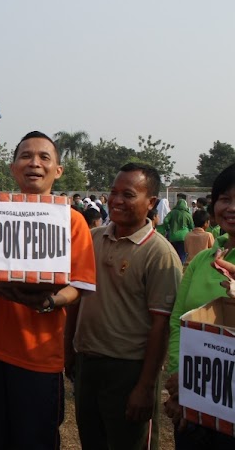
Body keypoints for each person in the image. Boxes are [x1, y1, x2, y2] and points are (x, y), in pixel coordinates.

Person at [0, 122, 96, 449]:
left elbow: (80, 285)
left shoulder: (72, 220)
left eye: (44, 157)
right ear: (13, 167)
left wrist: (48, 302)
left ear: (58, 170)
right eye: (26, 156)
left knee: (35, 440)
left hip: (40, 353)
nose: (34, 162)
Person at [68, 163, 183, 450]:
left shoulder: (160, 254)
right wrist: (67, 352)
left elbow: (161, 326)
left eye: (128, 194)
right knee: (92, 441)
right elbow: (74, 299)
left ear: (151, 202)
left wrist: (144, 388)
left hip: (129, 369)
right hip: (87, 363)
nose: (117, 200)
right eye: (113, 192)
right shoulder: (92, 240)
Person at [164, 163, 235, 449]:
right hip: (197, 399)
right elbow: (178, 322)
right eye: (225, 199)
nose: (231, 208)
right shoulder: (205, 259)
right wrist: (182, 385)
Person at [164, 194, 194, 263]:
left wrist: (168, 228)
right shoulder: (187, 214)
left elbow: (165, 220)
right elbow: (192, 226)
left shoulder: (172, 212)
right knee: (182, 254)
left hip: (173, 236)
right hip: (184, 237)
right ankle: (180, 267)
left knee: (174, 253)